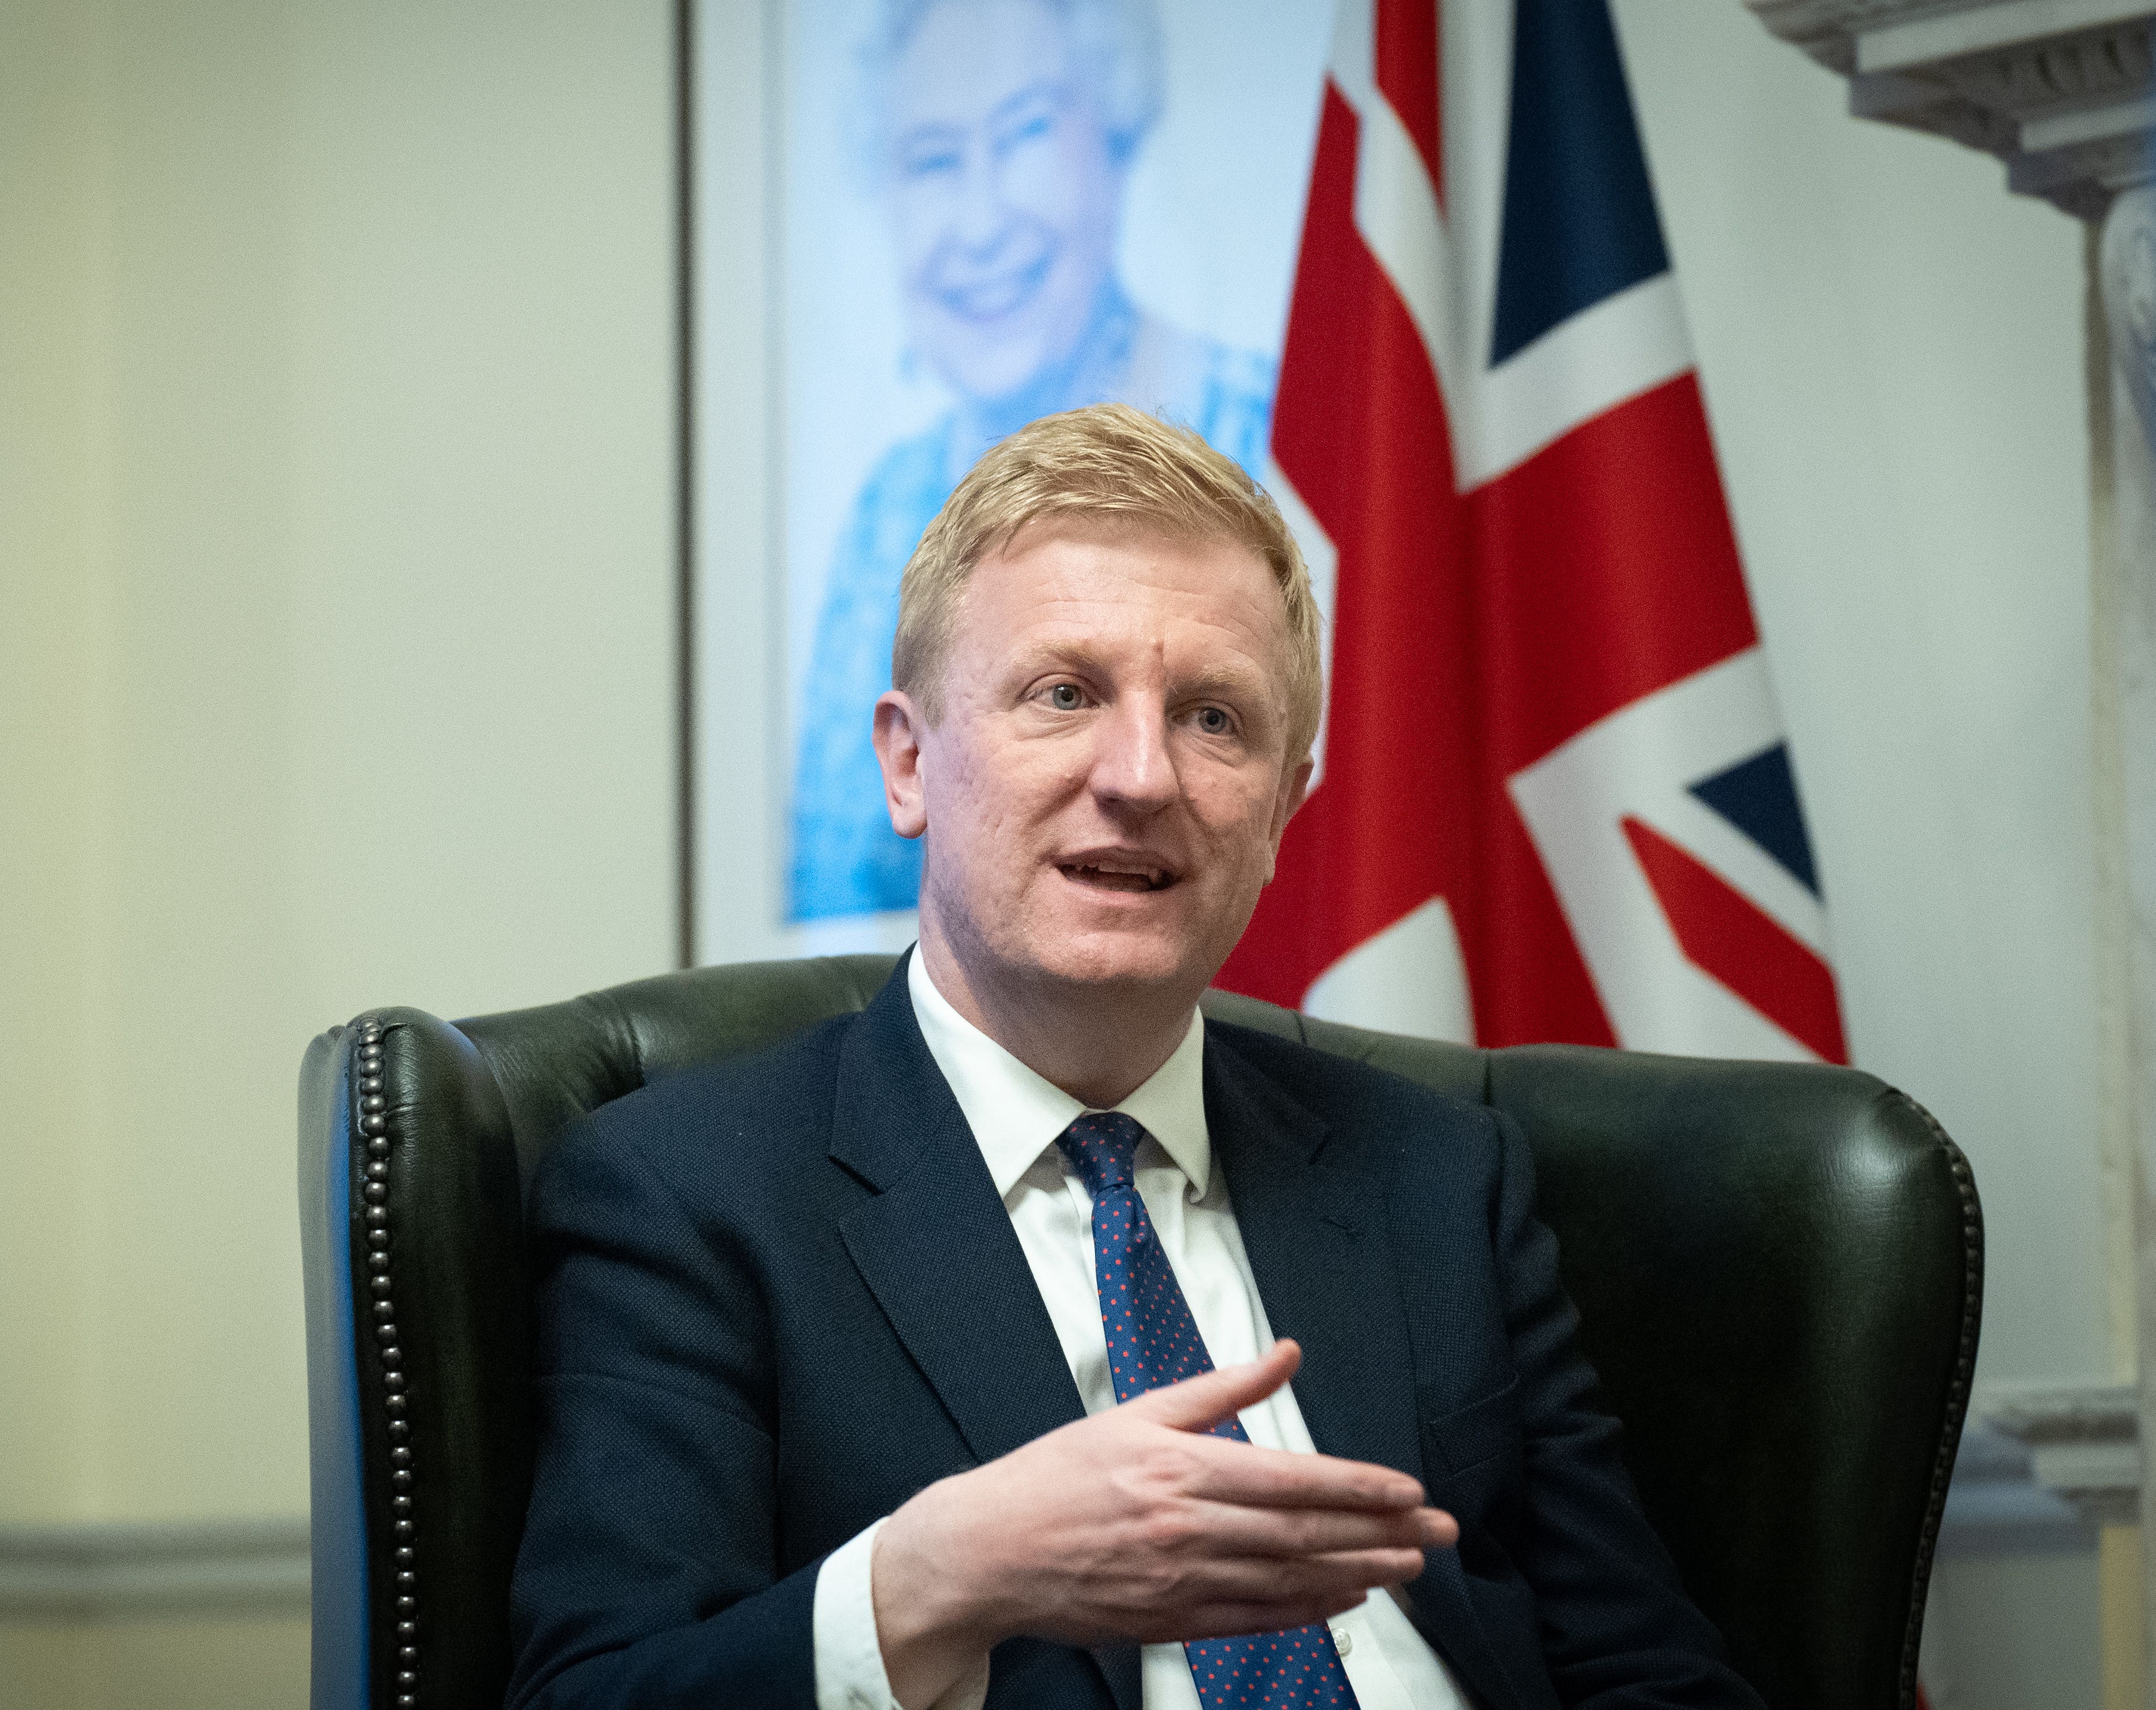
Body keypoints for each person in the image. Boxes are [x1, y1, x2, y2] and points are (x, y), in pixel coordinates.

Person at [512, 406, 1761, 1710]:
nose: (1142, 775)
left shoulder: (1437, 1174)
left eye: (1216, 718)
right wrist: (939, 1576)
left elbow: (1646, 1672)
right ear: (907, 763)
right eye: (1064, 693)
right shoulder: (681, 1190)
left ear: (1284, 804)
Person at [790, 0, 1280, 922]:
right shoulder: (885, 512)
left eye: (1022, 137)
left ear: (1116, 139)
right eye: (932, 160)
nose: (979, 222)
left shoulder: (1286, 444)